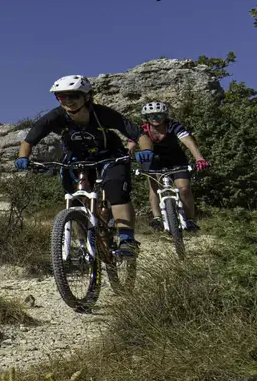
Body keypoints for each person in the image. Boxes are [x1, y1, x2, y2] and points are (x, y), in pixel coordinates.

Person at [15, 75, 150, 255]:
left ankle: (127, 239)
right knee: (76, 199)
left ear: (87, 96)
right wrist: (23, 157)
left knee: (117, 191)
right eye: (62, 97)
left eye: (74, 96)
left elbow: (139, 134)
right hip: (76, 159)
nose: (68, 101)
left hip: (110, 156)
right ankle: (82, 243)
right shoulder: (55, 117)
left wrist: (146, 151)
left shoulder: (103, 114)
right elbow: (29, 140)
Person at [135, 100, 207, 231]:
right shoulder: (142, 129)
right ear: (146, 117)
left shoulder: (173, 126)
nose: (155, 118)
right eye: (151, 116)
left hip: (176, 159)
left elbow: (188, 141)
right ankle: (157, 217)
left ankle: (190, 219)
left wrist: (199, 158)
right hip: (154, 161)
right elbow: (130, 145)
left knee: (184, 188)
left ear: (165, 116)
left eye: (159, 115)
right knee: (154, 186)